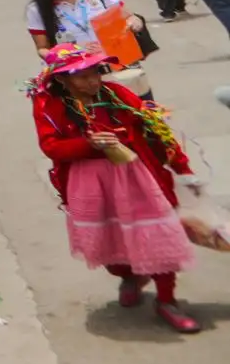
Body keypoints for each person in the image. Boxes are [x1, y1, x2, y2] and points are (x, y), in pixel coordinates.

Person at [30, 44, 200, 333]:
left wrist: (182, 168)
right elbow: (51, 146)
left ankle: (167, 300)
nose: (92, 81)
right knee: (108, 238)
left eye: (94, 72)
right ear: (62, 79)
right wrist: (88, 144)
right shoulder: (50, 105)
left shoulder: (117, 95)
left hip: (137, 176)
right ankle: (129, 275)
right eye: (81, 76)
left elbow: (156, 130)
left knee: (156, 235)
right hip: (90, 183)